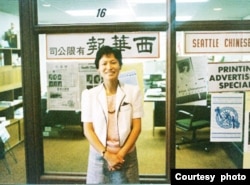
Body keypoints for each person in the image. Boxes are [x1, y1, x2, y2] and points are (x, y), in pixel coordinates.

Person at [81, 45, 144, 184]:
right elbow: (88, 130)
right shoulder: (89, 95)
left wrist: (119, 155)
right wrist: (107, 155)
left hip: (126, 155)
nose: (109, 67)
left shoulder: (133, 92)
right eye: (104, 63)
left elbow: (137, 128)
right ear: (98, 68)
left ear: (120, 66)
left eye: (113, 62)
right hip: (99, 155)